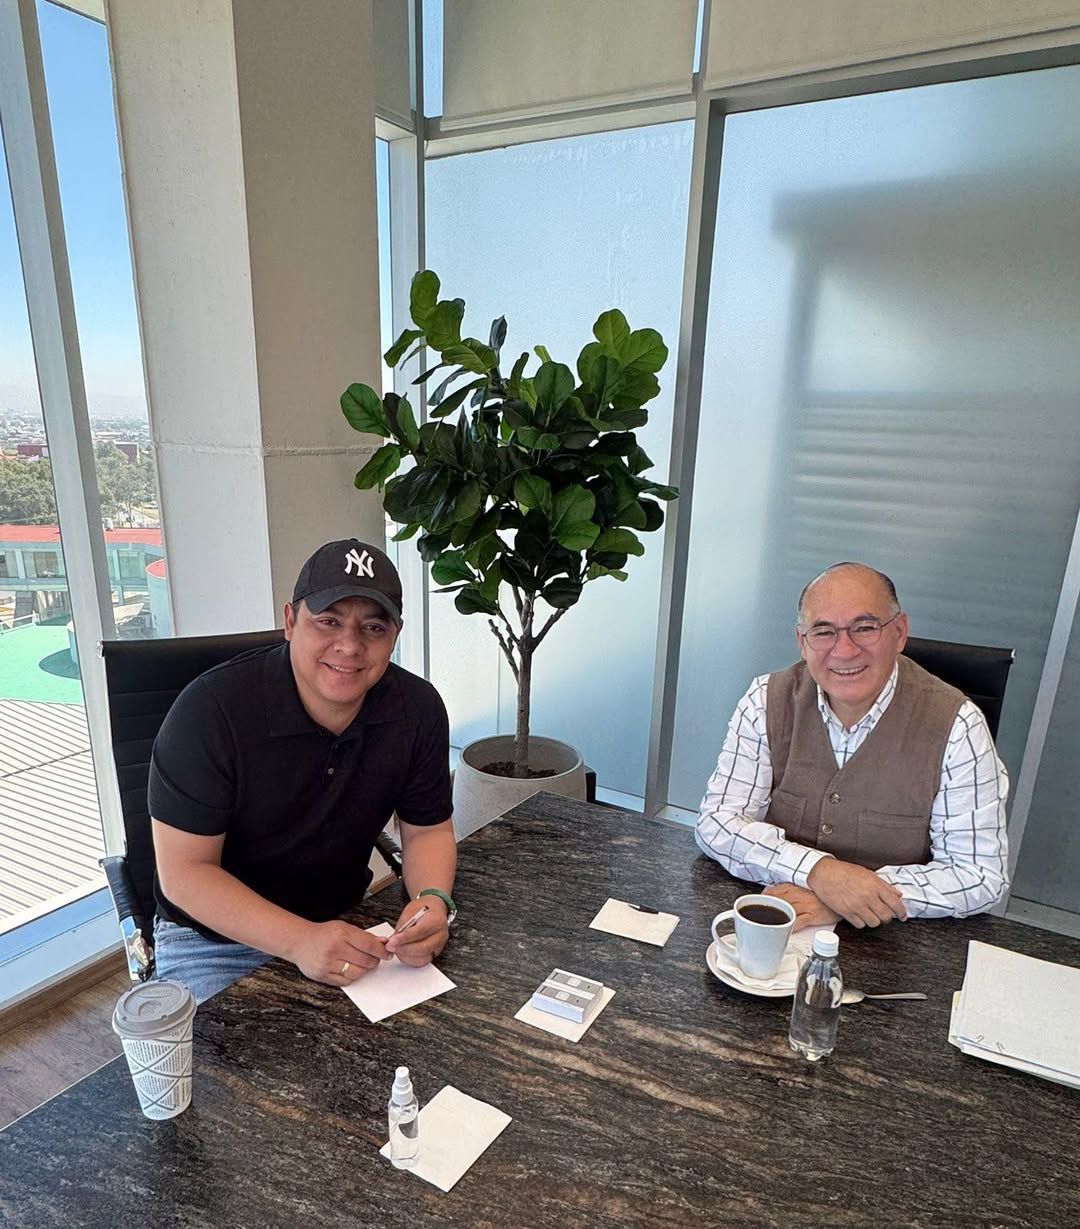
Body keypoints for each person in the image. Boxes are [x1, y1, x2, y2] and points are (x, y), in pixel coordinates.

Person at [148, 539, 457, 1002]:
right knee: (218, 1052)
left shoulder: (417, 709)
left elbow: (427, 830)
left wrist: (432, 900)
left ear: (396, 635)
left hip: (342, 923)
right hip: (213, 941)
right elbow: (185, 873)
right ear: (290, 621)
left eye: (373, 627)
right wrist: (299, 941)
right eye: (329, 621)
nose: (350, 645)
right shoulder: (208, 712)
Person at [696, 562, 1009, 931]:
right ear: (802, 643)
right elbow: (717, 823)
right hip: (777, 918)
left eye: (864, 628)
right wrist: (819, 873)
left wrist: (850, 899)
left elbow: (978, 874)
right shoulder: (766, 699)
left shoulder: (958, 725)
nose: (844, 650)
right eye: (823, 631)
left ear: (899, 633)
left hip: (893, 939)